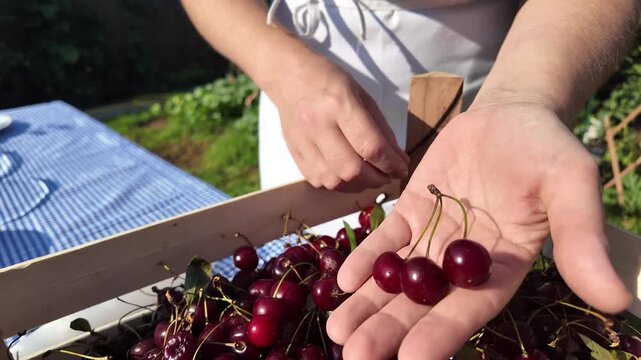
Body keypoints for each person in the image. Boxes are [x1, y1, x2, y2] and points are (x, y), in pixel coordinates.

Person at [181, 0, 640, 358]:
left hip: (484, 99)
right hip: (299, 94)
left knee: (465, 327)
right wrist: (280, 69)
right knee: (313, 294)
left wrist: (523, 97)